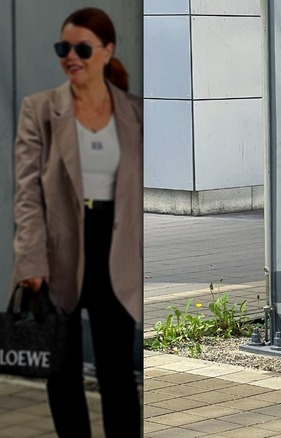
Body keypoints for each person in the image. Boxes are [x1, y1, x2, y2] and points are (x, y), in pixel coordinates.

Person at [11, 7, 142, 437]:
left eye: (82, 48)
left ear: (107, 51)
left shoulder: (134, 112)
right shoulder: (41, 110)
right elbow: (27, 191)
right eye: (63, 47)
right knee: (61, 368)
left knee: (118, 373)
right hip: (59, 247)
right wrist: (30, 259)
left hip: (116, 248)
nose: (71, 56)